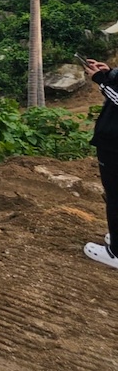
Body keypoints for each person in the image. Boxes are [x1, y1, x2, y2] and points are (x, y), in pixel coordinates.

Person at [81, 57, 118, 270]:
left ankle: (115, 253)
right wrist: (109, 73)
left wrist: (101, 81)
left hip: (114, 145)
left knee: (115, 196)